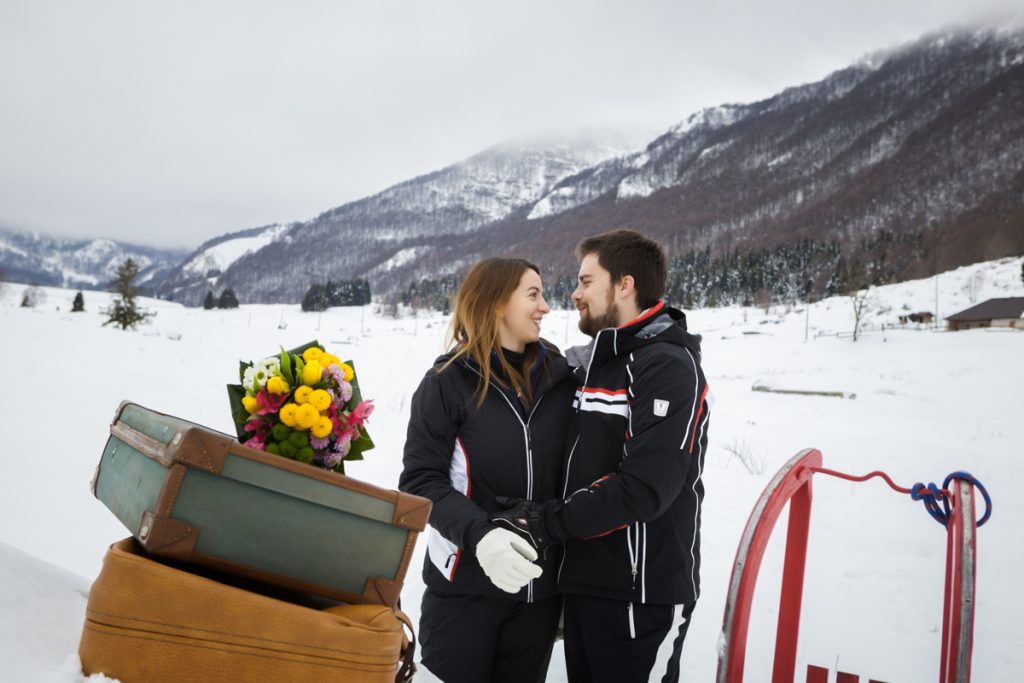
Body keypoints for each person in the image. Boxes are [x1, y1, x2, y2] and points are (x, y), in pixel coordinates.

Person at [493, 230, 712, 683]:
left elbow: (643, 488)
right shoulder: (598, 363)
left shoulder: (668, 366)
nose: (574, 294)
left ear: (624, 286)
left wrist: (544, 521)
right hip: (586, 582)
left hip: (641, 591)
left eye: (586, 281)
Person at [399, 257, 576, 683]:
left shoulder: (561, 378)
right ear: (497, 302)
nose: (545, 307)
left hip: (538, 593)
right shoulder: (447, 382)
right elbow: (420, 482)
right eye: (533, 294)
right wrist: (483, 535)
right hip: (464, 593)